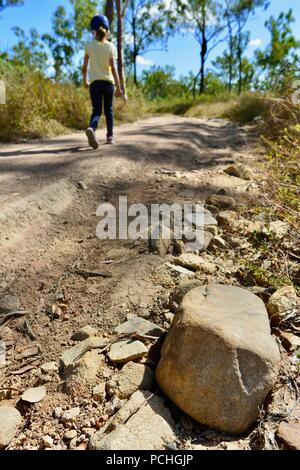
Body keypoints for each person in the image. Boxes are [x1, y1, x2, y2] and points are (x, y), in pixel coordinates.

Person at [82, 15, 123, 148]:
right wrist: (118, 87)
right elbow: (114, 68)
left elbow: (84, 67)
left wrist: (85, 81)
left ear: (93, 30)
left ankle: (92, 128)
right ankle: (109, 136)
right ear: (107, 30)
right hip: (108, 83)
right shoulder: (110, 46)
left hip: (94, 83)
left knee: (96, 111)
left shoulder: (89, 45)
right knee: (108, 110)